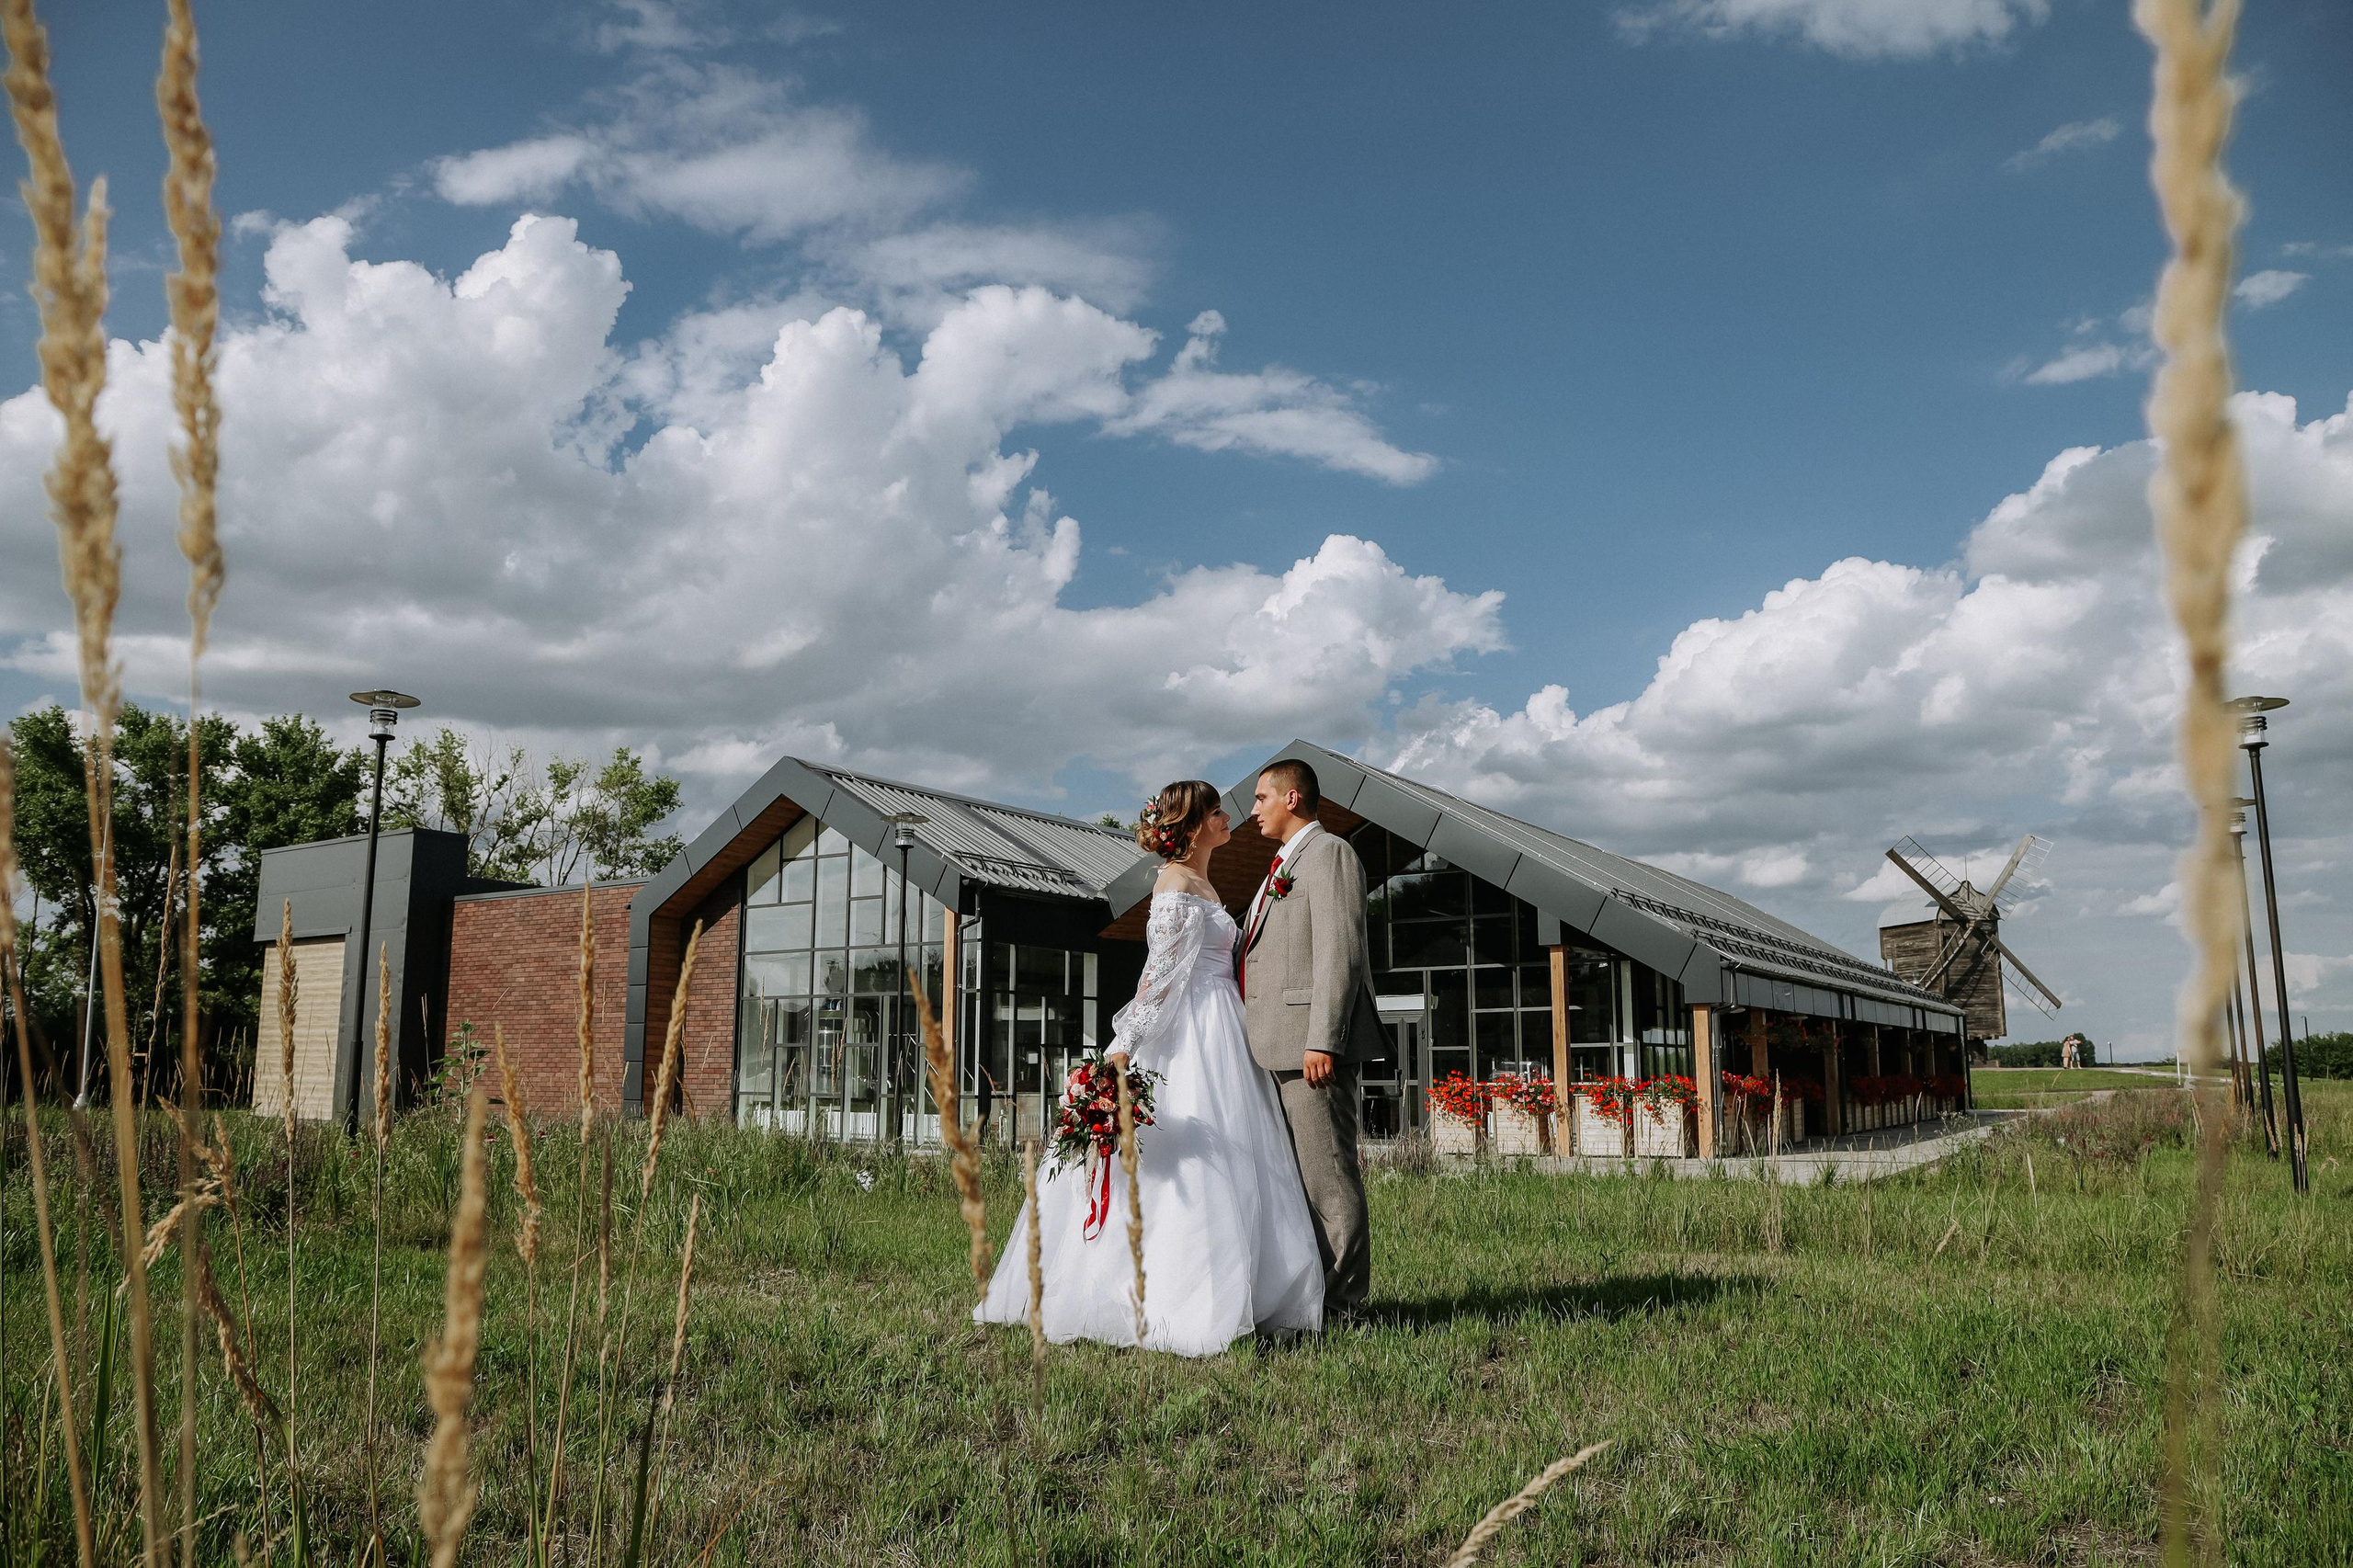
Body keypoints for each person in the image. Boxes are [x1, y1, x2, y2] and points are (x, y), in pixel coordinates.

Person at [975, 779, 1324, 1355]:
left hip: (1222, 1026)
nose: (1226, 817)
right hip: (1191, 1033)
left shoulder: (1205, 882)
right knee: (1196, 1163)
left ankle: (1249, 1291)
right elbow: (1160, 977)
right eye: (1216, 811)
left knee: (1244, 1158)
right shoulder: (1174, 883)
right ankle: (1176, 1297)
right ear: (1191, 826)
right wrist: (1127, 1042)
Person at [1240, 758, 1385, 1319]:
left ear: (1292, 797)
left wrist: (1324, 1038)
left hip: (1310, 1049)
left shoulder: (1331, 855)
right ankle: (1308, 1297)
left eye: (1260, 798)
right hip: (1273, 1046)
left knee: (1327, 1174)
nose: (1252, 811)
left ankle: (1345, 1303)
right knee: (1299, 1179)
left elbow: (1340, 952)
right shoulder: (1282, 863)